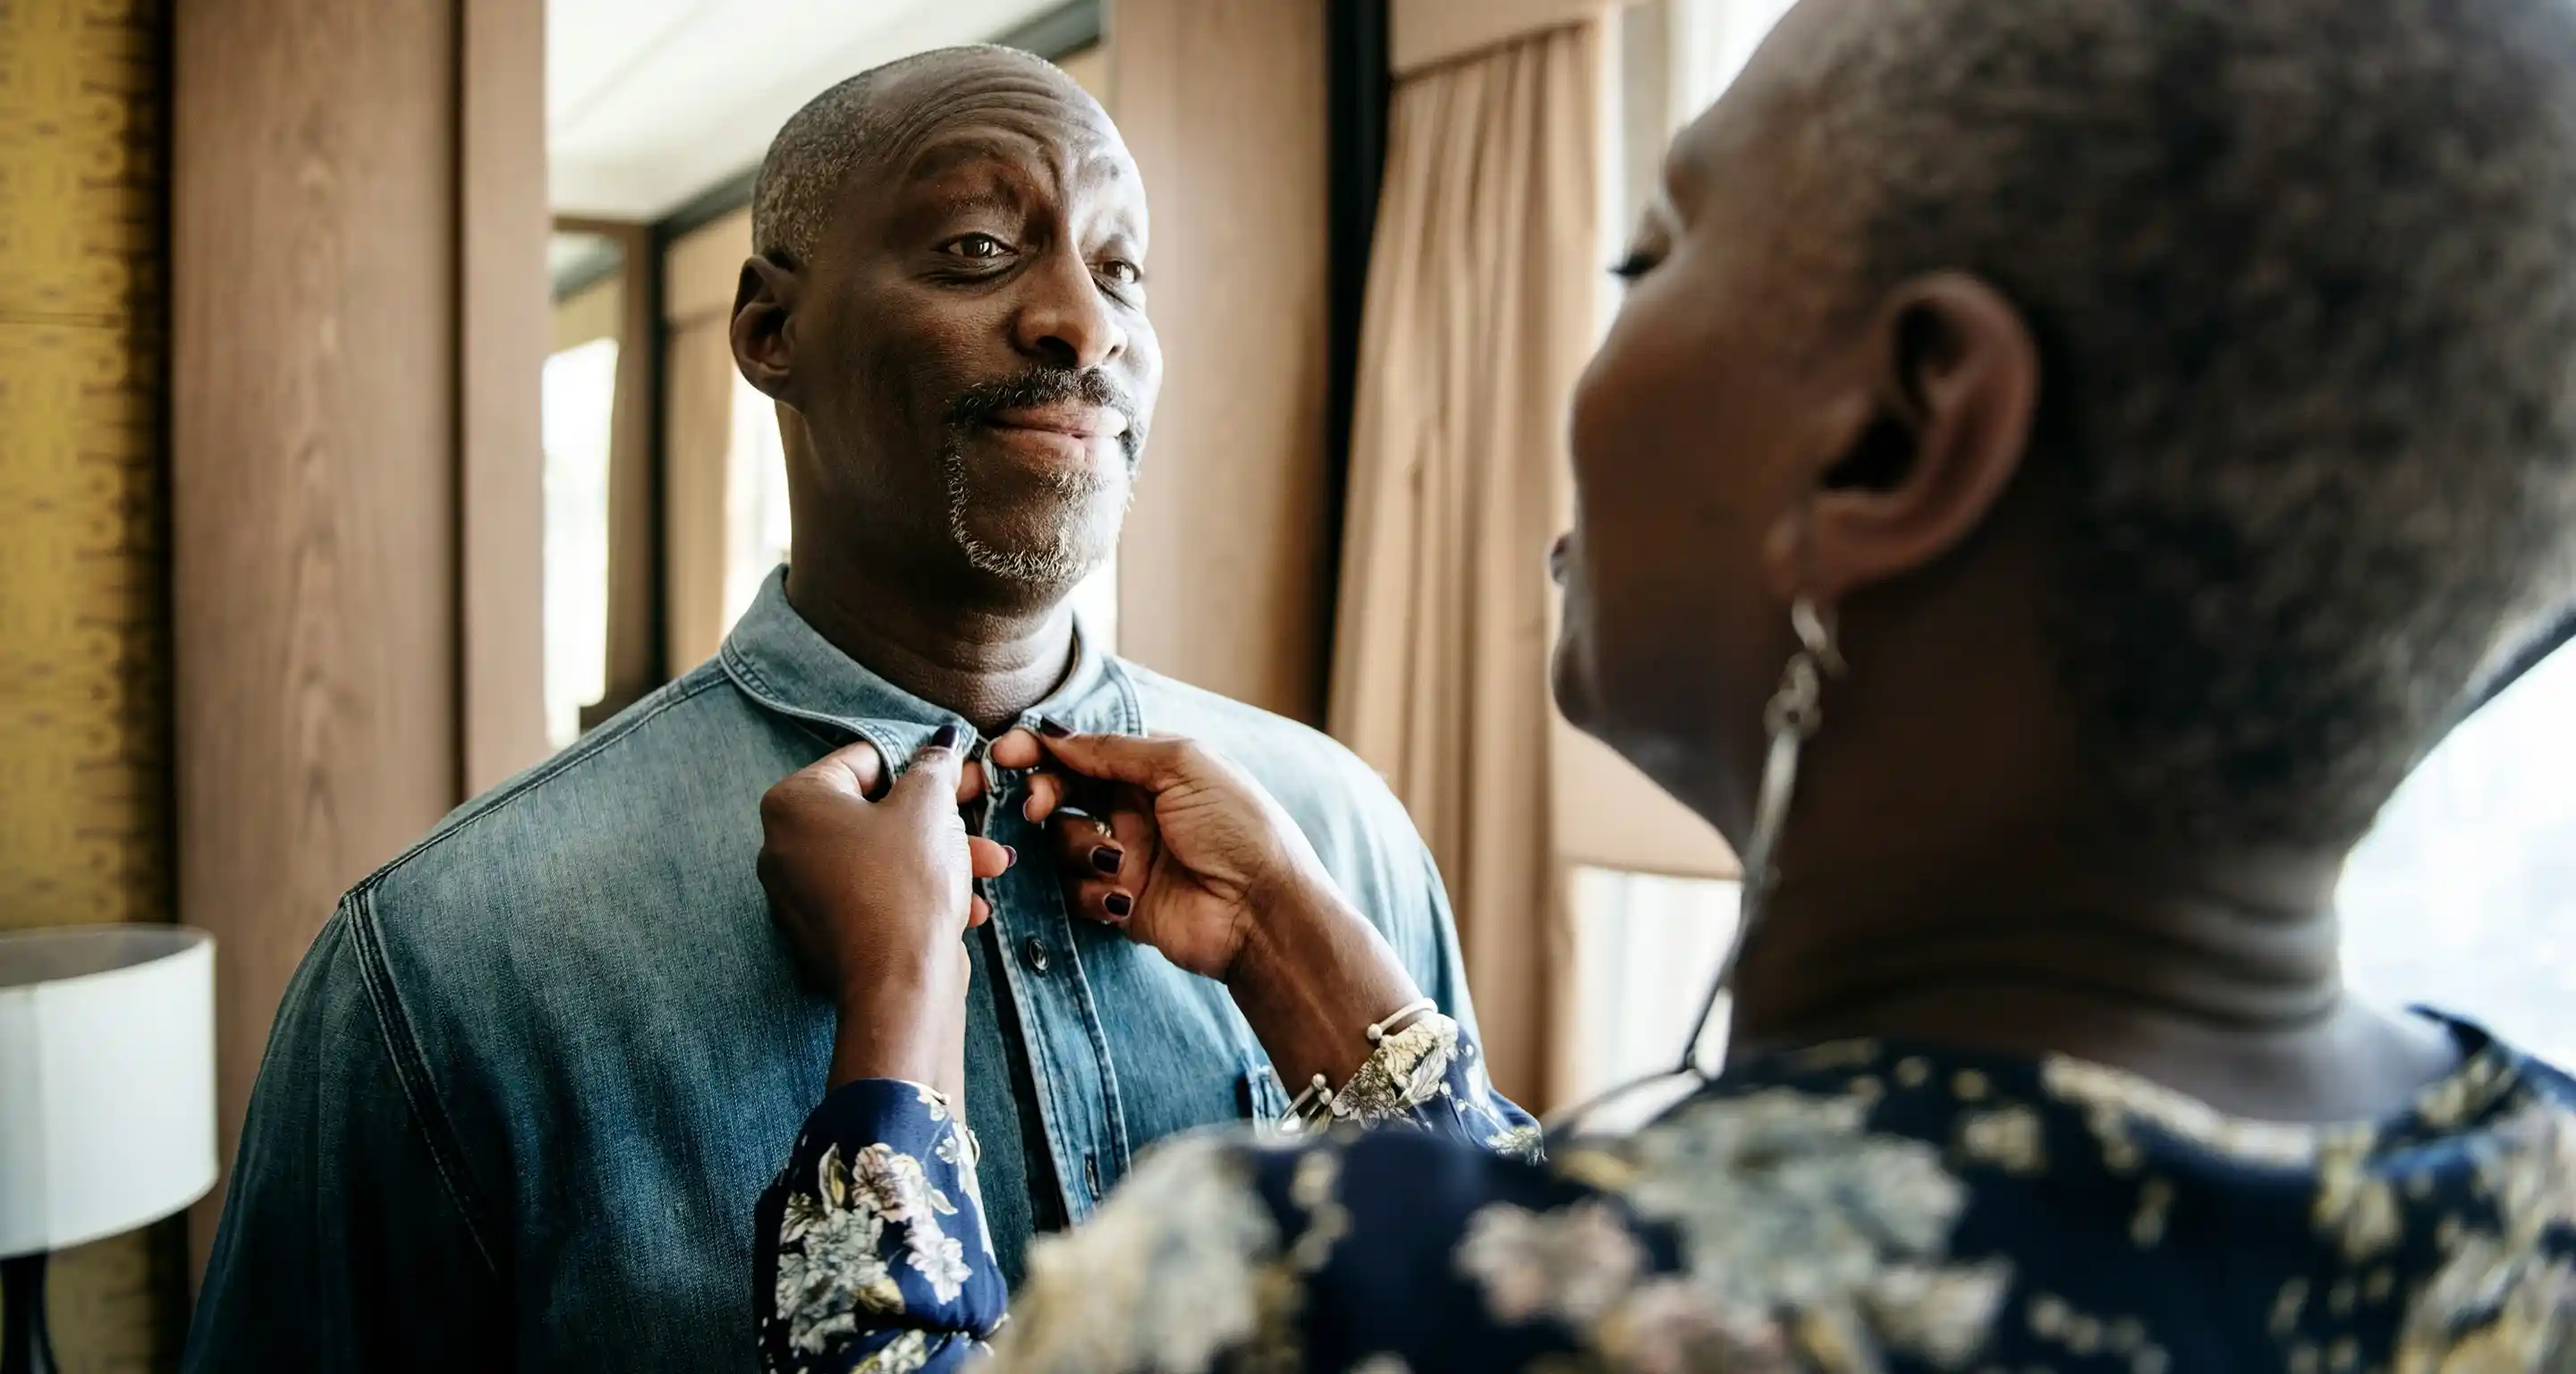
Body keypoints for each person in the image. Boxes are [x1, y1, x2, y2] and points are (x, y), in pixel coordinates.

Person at [741, 0, 2576, 1368]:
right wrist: (1309, 952)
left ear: (1897, 436)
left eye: (1654, 255)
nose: (1083, 321)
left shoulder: (1278, 1307)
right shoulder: (2534, 1222)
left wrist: (896, 1017)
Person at [185, 46, 1496, 1371]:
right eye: (981, 247)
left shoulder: (1343, 841)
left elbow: (1497, 1317)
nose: (1084, 325)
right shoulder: (448, 963)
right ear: (769, 333)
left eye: (1121, 270)